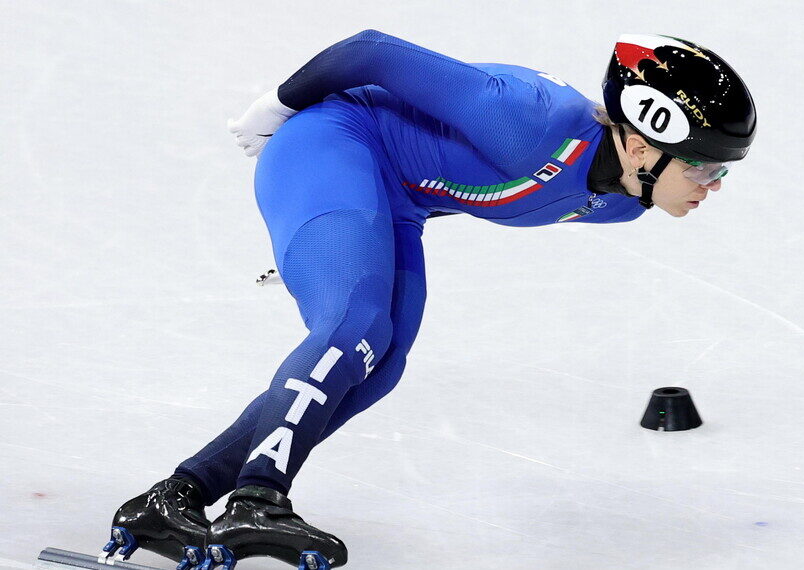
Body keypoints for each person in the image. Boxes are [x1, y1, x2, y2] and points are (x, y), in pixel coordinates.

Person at [110, 30, 757, 568]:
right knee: (352, 327)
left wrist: (350, 243)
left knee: (379, 363)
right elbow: (369, 52)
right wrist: (278, 116)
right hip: (332, 143)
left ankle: (176, 495)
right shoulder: (526, 117)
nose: (714, 184)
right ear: (641, 145)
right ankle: (257, 499)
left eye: (721, 170)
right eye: (703, 166)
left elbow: (487, 188)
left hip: (393, 199)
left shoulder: (620, 205)